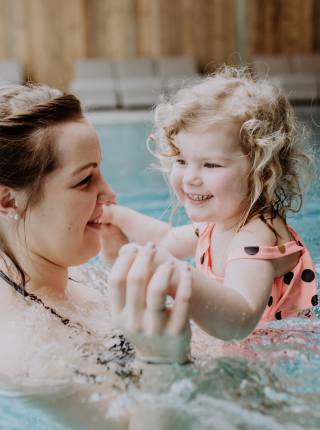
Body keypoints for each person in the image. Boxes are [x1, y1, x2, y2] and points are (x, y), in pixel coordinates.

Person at [102, 66, 318, 341]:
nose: (190, 177)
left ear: (260, 172)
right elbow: (166, 239)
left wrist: (179, 275)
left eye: (210, 164)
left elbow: (240, 320)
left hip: (280, 355)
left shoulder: (255, 236)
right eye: (181, 161)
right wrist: (113, 217)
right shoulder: (216, 224)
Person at [0, 83, 192, 388]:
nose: (110, 194)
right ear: (9, 201)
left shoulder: (73, 275)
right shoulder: (28, 351)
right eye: (85, 180)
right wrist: (163, 361)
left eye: (99, 171)